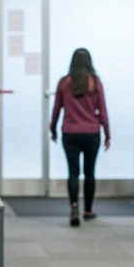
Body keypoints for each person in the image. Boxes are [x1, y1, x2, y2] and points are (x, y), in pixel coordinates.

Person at [50, 48, 111, 227]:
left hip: (70, 133)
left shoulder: (64, 83)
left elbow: (56, 109)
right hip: (92, 133)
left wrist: (53, 130)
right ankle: (88, 210)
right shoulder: (95, 83)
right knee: (90, 173)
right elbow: (103, 111)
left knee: (73, 172)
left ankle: (74, 206)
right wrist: (107, 134)